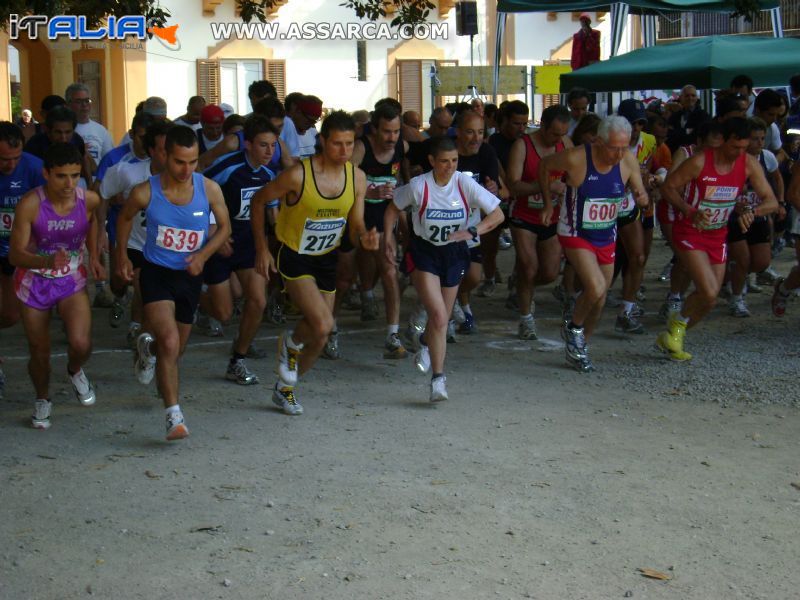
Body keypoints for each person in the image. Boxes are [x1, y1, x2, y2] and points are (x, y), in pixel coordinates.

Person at [250, 110, 377, 416]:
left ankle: (285, 389)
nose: (344, 151)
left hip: (326, 257)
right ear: (322, 141)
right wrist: (262, 250)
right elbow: (258, 201)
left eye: (349, 144)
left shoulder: (356, 177)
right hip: (294, 254)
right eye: (337, 144)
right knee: (324, 322)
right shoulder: (298, 175)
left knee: (320, 336)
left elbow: (356, 223)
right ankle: (290, 344)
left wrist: (364, 239)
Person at [115, 125, 231, 440]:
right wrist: (122, 258)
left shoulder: (208, 189)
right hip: (156, 274)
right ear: (166, 156)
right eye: (180, 161)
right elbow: (123, 219)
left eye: (193, 162)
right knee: (169, 342)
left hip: (190, 277)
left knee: (174, 350)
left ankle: (146, 348)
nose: (186, 169)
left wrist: (203, 255)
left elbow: (224, 227)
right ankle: (173, 416)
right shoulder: (145, 191)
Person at [384, 136, 503, 402]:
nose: (450, 167)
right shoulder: (418, 186)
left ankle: (426, 343)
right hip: (424, 251)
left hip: (454, 253)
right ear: (431, 161)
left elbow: (498, 214)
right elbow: (392, 209)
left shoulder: (464, 183)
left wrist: (474, 230)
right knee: (438, 315)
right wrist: (388, 239)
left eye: (454, 161)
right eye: (444, 162)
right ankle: (438, 380)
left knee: (443, 318)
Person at [657, 117, 777, 361]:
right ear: (722, 140)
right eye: (735, 147)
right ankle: (674, 329)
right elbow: (668, 187)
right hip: (690, 231)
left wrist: (752, 212)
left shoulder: (748, 164)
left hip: (717, 234)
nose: (739, 153)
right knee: (710, 291)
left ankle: (673, 334)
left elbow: (771, 201)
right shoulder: (699, 162)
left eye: (744, 148)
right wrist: (689, 210)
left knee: (708, 301)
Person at [539, 116, 648, 372]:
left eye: (625, 147)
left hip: (606, 234)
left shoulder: (627, 160)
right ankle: (573, 327)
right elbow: (544, 167)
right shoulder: (576, 158)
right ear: (599, 142)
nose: (619, 153)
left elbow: (639, 190)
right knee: (596, 286)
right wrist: (547, 202)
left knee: (599, 298)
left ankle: (579, 346)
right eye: (614, 147)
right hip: (575, 232)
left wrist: (642, 195)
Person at [9, 143, 105, 429]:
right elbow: (15, 255)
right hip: (34, 281)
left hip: (71, 279)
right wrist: (46, 260)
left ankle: (75, 370)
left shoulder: (88, 199)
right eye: (62, 176)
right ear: (46, 174)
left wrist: (96, 256)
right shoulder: (30, 204)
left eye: (75, 176)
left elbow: (94, 221)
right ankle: (42, 398)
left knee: (81, 342)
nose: (69, 183)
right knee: (39, 350)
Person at [201, 115, 280, 384]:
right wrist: (214, 232)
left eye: (273, 145)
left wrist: (275, 247)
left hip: (248, 244)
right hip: (220, 243)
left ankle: (238, 359)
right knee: (223, 313)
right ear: (247, 144)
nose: (269, 152)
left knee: (258, 300)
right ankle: (193, 297)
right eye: (263, 145)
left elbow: (273, 214)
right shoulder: (227, 167)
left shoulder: (270, 175)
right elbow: (198, 193)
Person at [100, 120, 171, 347]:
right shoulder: (126, 171)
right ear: (151, 151)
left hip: (163, 245)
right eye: (164, 150)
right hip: (134, 243)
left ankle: (138, 329)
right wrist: (100, 229)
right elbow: (101, 195)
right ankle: (127, 308)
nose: (170, 155)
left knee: (146, 289)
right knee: (123, 283)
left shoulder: (186, 176)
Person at [506, 104, 571, 340]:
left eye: (562, 134)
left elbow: (576, 175)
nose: (558, 139)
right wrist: (546, 187)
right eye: (554, 133)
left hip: (552, 217)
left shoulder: (566, 145)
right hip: (524, 215)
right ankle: (525, 318)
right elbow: (513, 186)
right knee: (529, 266)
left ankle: (522, 284)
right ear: (542, 126)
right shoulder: (522, 146)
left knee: (550, 273)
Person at [351, 102, 409, 358]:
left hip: (384, 215)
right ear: (374, 129)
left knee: (388, 268)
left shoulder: (401, 147)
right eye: (386, 132)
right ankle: (362, 295)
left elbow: (400, 180)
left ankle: (392, 334)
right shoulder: (360, 148)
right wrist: (368, 191)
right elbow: (345, 183)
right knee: (347, 272)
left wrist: (403, 217)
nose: (392, 137)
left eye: (396, 131)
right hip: (356, 216)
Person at [0, 122, 46, 399]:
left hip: (20, 252)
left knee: (10, 314)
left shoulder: (34, 168)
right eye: (4, 159)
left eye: (15, 158)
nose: (10, 164)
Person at [726, 117, 784, 317]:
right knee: (743, 259)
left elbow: (777, 178)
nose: (760, 143)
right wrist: (735, 204)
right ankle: (737, 298)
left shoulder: (766, 157)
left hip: (756, 214)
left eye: (762, 138)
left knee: (761, 262)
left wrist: (780, 202)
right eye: (755, 139)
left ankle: (733, 276)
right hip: (733, 216)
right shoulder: (733, 159)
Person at [65, 82, 114, 165]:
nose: (84, 105)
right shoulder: (63, 130)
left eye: (87, 101)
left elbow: (110, 161)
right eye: (79, 101)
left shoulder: (101, 130)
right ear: (68, 104)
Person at [667, 85, 709, 152]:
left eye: (693, 95)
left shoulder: (703, 115)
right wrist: (687, 131)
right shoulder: (675, 115)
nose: (690, 98)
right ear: (681, 98)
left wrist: (678, 133)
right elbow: (669, 135)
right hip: (674, 152)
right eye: (687, 96)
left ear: (697, 98)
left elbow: (699, 135)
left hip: (694, 153)